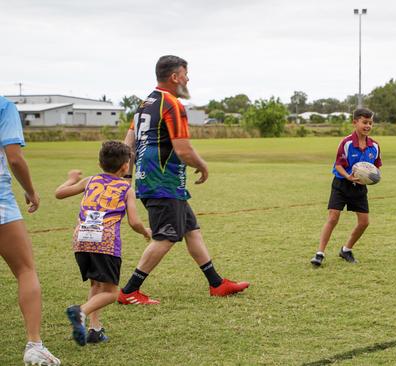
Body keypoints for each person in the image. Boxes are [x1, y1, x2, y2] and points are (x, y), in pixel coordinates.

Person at [119, 55, 249, 305]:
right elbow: (183, 150)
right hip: (163, 182)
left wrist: (127, 176)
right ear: (174, 77)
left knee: (192, 230)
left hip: (153, 180)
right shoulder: (171, 104)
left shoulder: (145, 103)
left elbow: (129, 143)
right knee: (166, 237)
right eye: (185, 74)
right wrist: (202, 165)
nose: (188, 79)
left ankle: (216, 284)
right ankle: (129, 291)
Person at [55, 141, 151, 345]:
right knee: (110, 292)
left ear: (100, 164)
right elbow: (134, 222)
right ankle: (80, 312)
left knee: (97, 284)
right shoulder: (126, 188)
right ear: (126, 166)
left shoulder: (90, 181)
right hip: (105, 243)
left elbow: (59, 193)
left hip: (81, 239)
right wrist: (145, 231)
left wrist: (71, 179)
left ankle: (94, 329)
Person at [0, 95, 60, 365]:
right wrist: (31, 191)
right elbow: (14, 158)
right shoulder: (4, 106)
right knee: (25, 270)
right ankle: (34, 345)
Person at [310, 108, 382, 266]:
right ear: (355, 122)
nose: (368, 125)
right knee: (333, 218)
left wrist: (371, 179)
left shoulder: (374, 146)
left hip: (359, 187)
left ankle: (346, 250)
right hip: (342, 183)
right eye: (364, 122)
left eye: (370, 123)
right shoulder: (347, 143)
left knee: (364, 222)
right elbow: (339, 164)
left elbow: (376, 168)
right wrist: (348, 176)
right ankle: (319, 253)